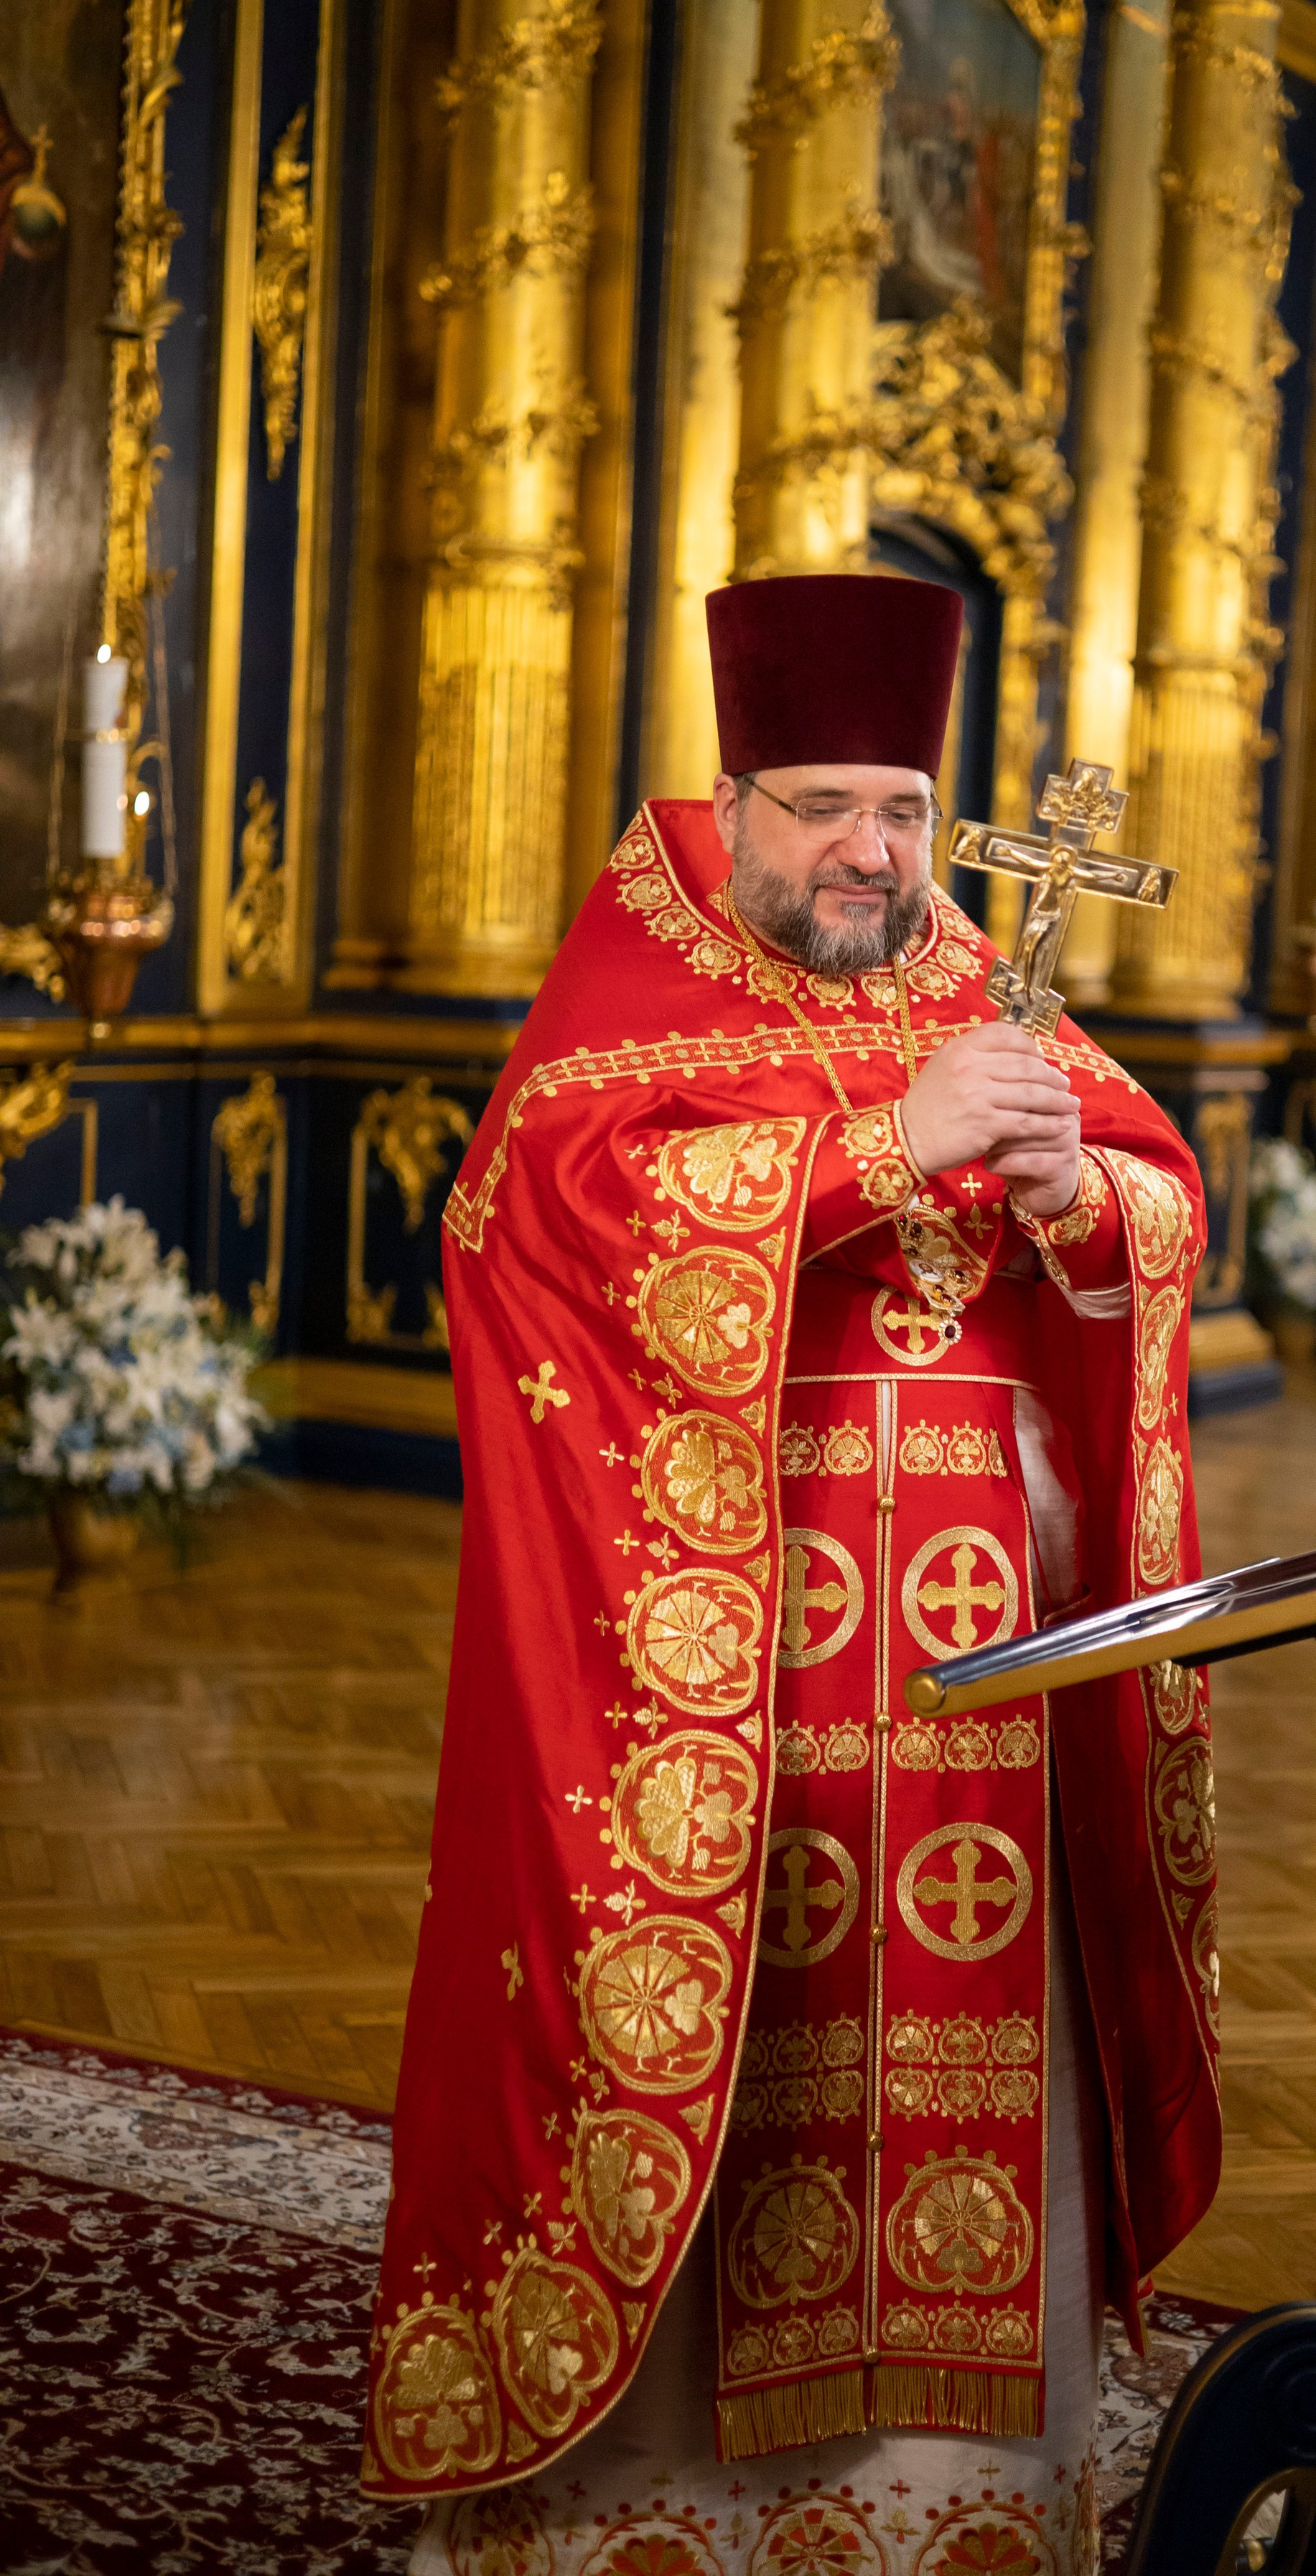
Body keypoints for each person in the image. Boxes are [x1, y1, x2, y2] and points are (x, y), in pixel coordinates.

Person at [364, 573, 1222, 2575]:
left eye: (907, 814)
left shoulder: (972, 972)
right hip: (726, 1664)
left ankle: (954, 2528)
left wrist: (1079, 1197)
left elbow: (1154, 1202)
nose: (873, 855)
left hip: (984, 1678)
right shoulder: (636, 966)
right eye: (829, 808)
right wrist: (868, 1155)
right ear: (737, 801)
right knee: (755, 2039)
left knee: (967, 2061)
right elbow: (534, 1224)